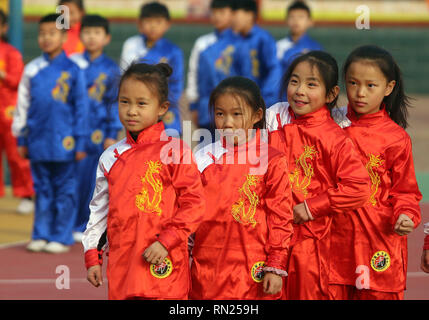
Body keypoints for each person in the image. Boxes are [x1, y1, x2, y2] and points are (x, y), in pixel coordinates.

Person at [83, 63, 205, 300]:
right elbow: (99, 212)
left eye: (141, 103)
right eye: (124, 102)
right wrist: (92, 256)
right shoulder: (111, 156)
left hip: (164, 260)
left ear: (162, 108)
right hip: (123, 264)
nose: (131, 111)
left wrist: (166, 242)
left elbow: (194, 204)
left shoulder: (175, 150)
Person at [266, 51, 371, 300]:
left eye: (311, 84)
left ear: (331, 94)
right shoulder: (273, 119)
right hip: (269, 234)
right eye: (294, 81)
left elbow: (358, 188)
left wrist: (311, 208)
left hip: (311, 241)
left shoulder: (334, 137)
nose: (300, 91)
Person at [328, 45, 422, 300]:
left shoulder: (396, 138)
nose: (360, 93)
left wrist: (405, 215)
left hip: (378, 242)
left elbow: (406, 192)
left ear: (388, 88)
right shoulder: (328, 126)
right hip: (333, 243)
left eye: (371, 86)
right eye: (353, 83)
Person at [190, 76, 294, 300]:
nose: (227, 122)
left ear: (257, 115)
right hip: (208, 267)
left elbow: (280, 217)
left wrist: (275, 264)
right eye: (220, 114)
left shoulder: (271, 159)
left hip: (253, 268)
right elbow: (188, 211)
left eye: (237, 114)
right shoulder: (202, 157)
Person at [12, 13, 89, 253]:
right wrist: (21, 136)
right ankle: (41, 233)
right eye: (42, 34)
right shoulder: (32, 69)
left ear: (64, 36)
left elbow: (81, 108)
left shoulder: (75, 69)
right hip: (37, 140)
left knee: (65, 189)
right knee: (42, 189)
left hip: (65, 142)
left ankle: (62, 235)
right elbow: (22, 105)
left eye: (52, 33)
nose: (46, 38)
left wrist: (80, 142)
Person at [69, 14, 122, 243]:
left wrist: (112, 133)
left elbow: (114, 102)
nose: (92, 37)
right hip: (72, 132)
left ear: (106, 38)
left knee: (94, 182)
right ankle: (68, 224)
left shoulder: (111, 69)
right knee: (71, 180)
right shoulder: (72, 64)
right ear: (81, 36)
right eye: (88, 33)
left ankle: (86, 225)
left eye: (97, 33)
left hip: (99, 133)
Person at [119, 2, 184, 136]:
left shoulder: (173, 51)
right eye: (148, 21)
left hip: (165, 109)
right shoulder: (131, 45)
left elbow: (177, 85)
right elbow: (124, 78)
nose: (153, 26)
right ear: (140, 24)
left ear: (167, 24)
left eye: (158, 21)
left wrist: (159, 107)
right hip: (138, 108)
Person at [0, 9, 35, 214]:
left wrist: (2, 73)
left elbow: (17, 80)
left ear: (4, 27)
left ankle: (26, 194)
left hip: (9, 112)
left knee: (16, 155)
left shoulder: (11, 52)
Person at [186, 0, 236, 132]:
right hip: (207, 107)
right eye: (214, 12)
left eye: (222, 12)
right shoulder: (202, 43)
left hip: (235, 108)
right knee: (207, 150)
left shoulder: (241, 42)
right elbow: (193, 73)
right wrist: (193, 105)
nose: (217, 16)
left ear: (233, 14)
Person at [231, 0, 282, 107]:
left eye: (236, 15)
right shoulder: (235, 41)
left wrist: (264, 97)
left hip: (262, 101)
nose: (233, 19)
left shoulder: (263, 38)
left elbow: (274, 69)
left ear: (250, 15)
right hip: (243, 101)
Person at [277, 1, 322, 78]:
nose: (296, 20)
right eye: (292, 17)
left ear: (310, 21)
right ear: (286, 20)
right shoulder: (279, 46)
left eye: (301, 17)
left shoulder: (316, 48)